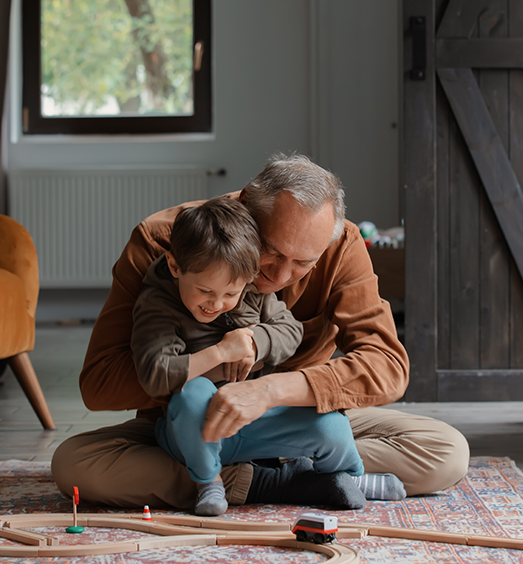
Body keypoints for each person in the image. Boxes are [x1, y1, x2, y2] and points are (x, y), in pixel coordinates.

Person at [53, 154, 469, 512]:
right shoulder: (166, 242)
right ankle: (293, 480)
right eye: (270, 251)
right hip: (191, 424)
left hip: (294, 416)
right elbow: (100, 384)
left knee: (446, 452)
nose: (279, 276)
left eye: (302, 263)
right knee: (74, 464)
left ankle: (227, 483)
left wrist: (271, 392)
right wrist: (211, 366)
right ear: (246, 205)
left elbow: (388, 366)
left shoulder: (341, 245)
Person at [131, 196, 376, 516]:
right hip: (197, 432)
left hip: (257, 421)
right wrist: (220, 353)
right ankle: (210, 482)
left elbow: (291, 331)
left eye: (230, 294)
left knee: (330, 422)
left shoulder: (252, 292)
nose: (216, 304)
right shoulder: (158, 304)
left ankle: (352, 477)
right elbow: (155, 374)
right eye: (205, 291)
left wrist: (254, 340)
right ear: (175, 266)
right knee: (191, 396)